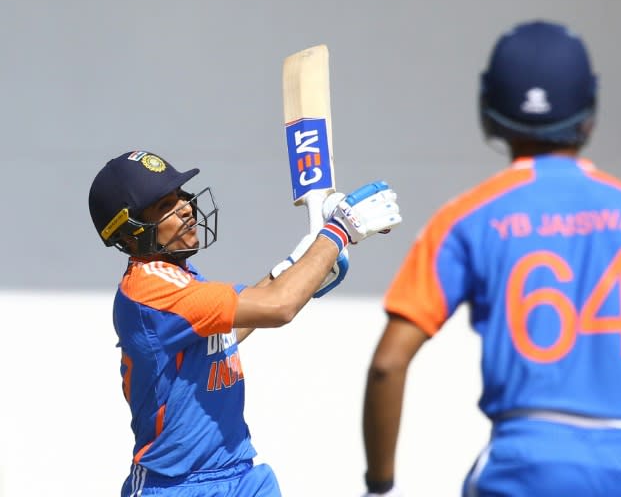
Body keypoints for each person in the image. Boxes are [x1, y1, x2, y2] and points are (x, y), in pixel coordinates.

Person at [361, 21, 621, 497]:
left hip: (528, 469)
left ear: (489, 113)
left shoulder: (465, 220)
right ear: (589, 114)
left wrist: (379, 486)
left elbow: (389, 363)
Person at [88, 149, 401, 497]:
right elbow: (279, 306)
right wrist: (338, 231)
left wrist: (297, 264)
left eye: (179, 197)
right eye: (165, 206)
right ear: (131, 233)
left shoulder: (179, 276)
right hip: (177, 486)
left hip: (241, 475)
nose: (186, 208)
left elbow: (230, 327)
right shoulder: (150, 289)